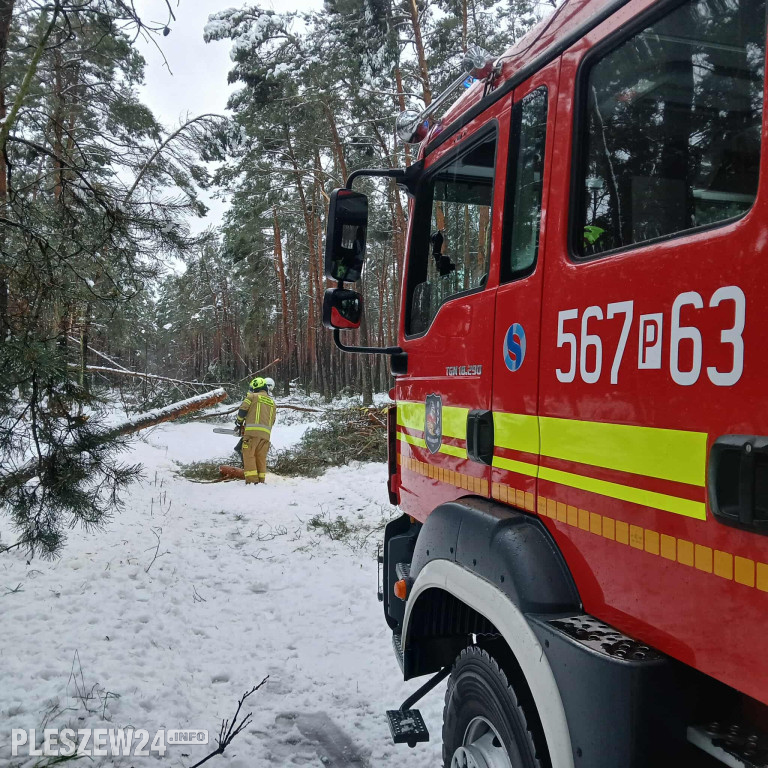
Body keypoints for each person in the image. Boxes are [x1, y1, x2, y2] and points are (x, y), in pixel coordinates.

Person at [235, 376, 276, 485]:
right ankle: (261, 480)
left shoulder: (252, 396)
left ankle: (252, 482)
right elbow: (273, 420)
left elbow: (243, 410)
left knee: (248, 455)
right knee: (260, 457)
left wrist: (239, 423)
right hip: (266, 435)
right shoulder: (272, 403)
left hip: (252, 434)